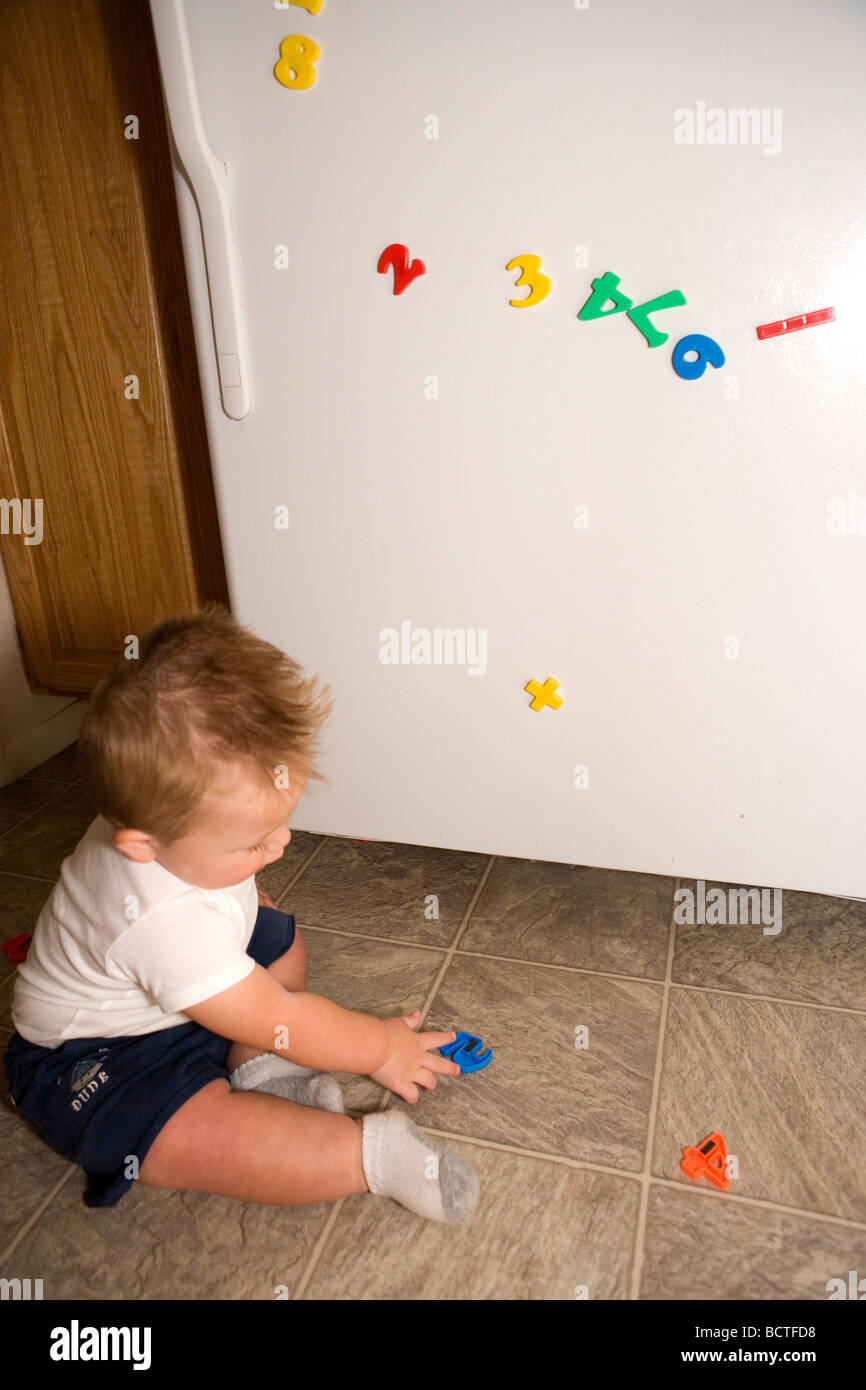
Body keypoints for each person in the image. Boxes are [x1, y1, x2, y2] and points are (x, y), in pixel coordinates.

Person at [3, 604, 479, 1224]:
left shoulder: (156, 813)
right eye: (252, 842)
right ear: (142, 844)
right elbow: (283, 1012)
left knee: (282, 943)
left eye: (281, 819)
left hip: (185, 987)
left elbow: (221, 909)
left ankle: (264, 1067)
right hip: (97, 1054)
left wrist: (243, 891)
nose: (279, 844)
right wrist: (379, 1048)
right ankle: (369, 1156)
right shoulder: (160, 920)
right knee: (187, 1134)